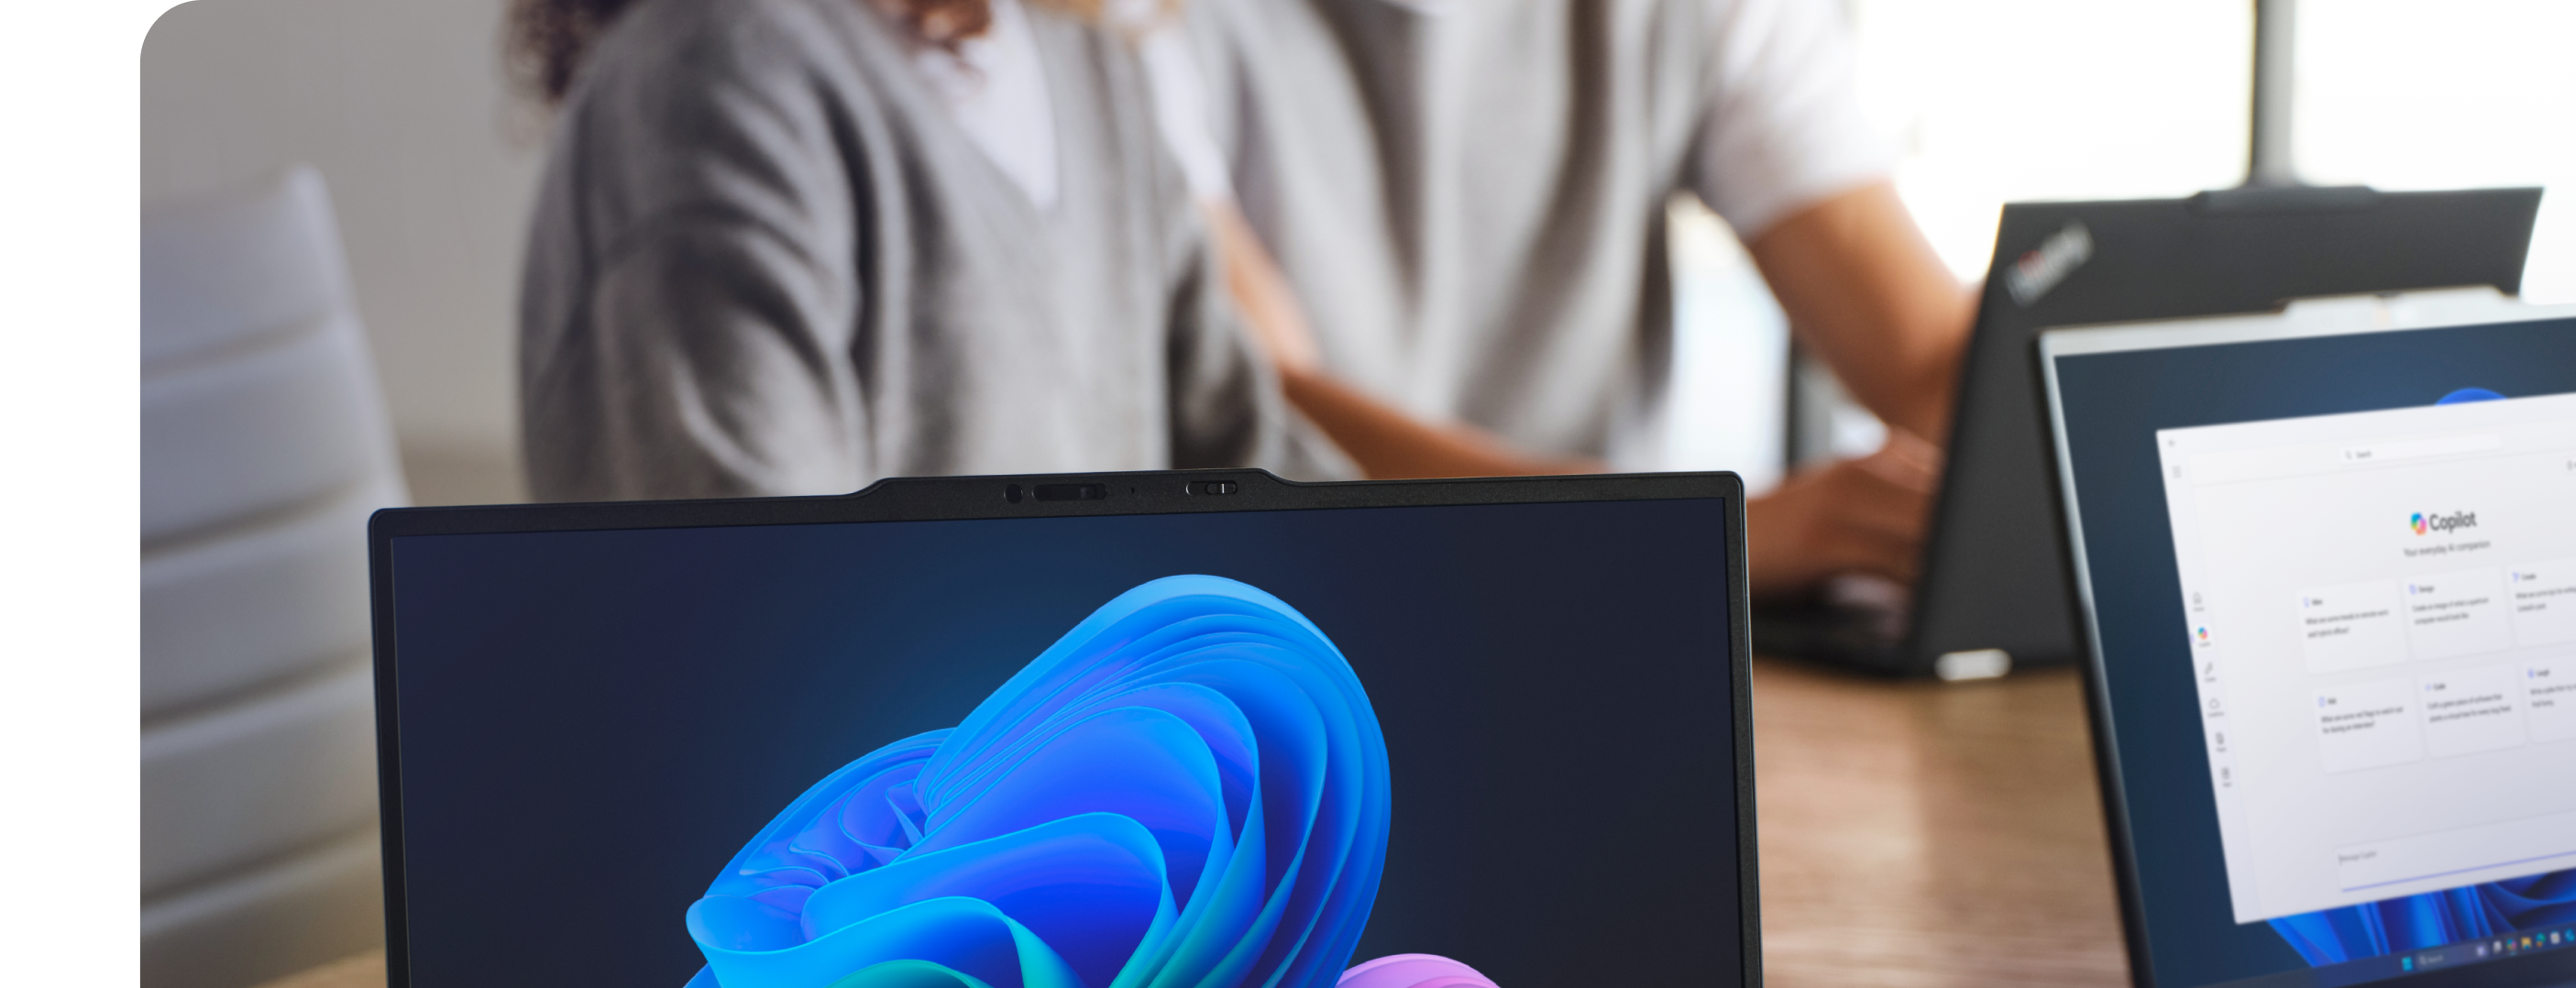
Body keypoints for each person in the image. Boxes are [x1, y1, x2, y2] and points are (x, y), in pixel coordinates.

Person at [1146, 0, 1976, 596]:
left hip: (1625, 638)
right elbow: (1263, 416)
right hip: (1320, 627)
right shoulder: (1135, 25)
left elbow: (1927, 367)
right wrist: (1712, 540)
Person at [510, 0, 1351, 499]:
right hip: (927, 796)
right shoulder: (714, 89)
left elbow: (1255, 475)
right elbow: (760, 638)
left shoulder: (1094, 77)